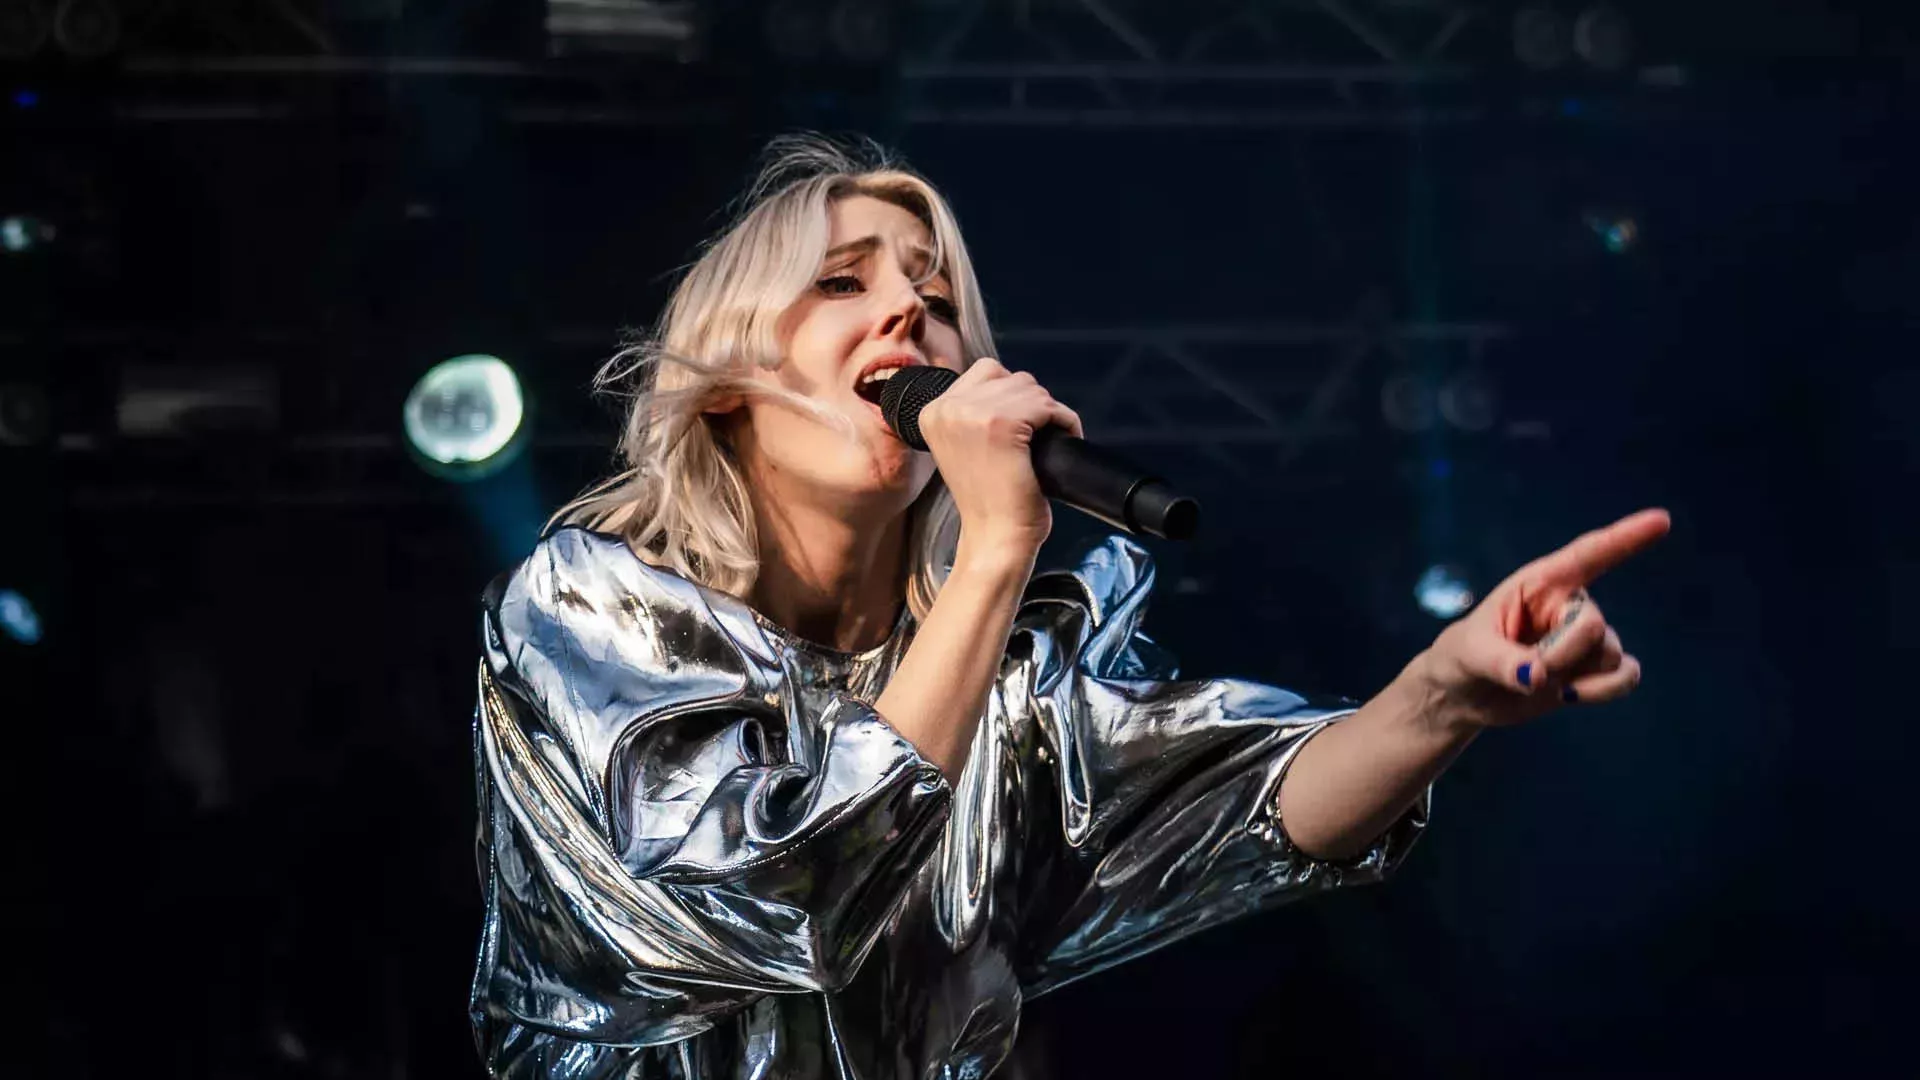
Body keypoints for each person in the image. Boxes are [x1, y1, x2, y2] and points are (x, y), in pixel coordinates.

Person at [467, 135, 1669, 1079]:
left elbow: (1243, 809)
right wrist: (999, 547)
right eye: (841, 281)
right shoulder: (585, 612)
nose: (910, 311)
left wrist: (1443, 694)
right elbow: (788, 895)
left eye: (938, 298)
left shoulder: (1008, 673)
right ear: (729, 379)